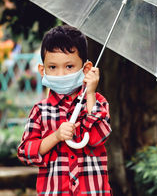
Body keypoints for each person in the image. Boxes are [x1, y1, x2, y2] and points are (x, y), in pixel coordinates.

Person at [17, 25, 112, 195]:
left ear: (87, 69)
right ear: (42, 70)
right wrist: (56, 136)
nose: (60, 74)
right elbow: (26, 152)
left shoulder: (98, 103)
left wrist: (90, 93)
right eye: (52, 67)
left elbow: (99, 136)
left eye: (69, 67)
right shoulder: (40, 111)